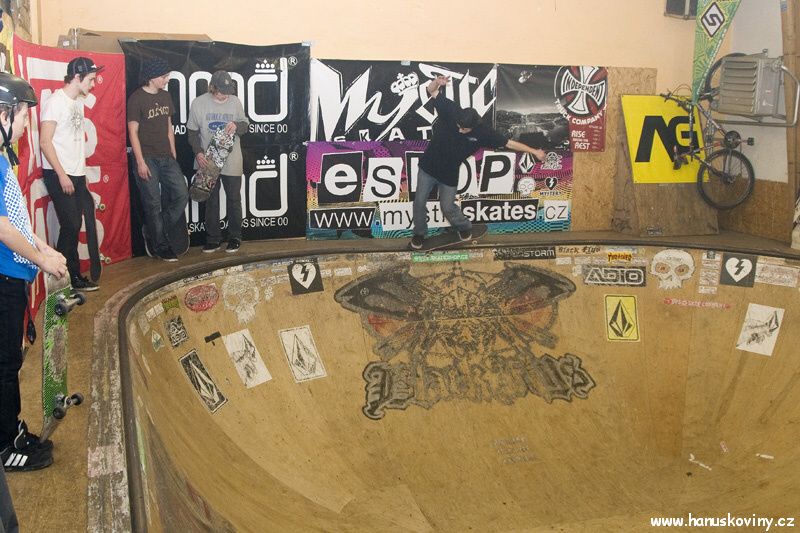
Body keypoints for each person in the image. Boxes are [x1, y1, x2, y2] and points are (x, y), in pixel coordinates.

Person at [0, 72, 67, 474]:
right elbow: (2, 227)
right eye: (23, 115)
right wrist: (42, 262)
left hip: (12, 275)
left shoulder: (2, 157)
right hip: (4, 276)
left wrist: (42, 247)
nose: (27, 124)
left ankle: (10, 429)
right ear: (4, 114)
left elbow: (17, 220)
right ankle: (5, 447)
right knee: (4, 365)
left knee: (10, 361)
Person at [410, 75, 547, 250]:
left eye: (465, 129)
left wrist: (534, 151)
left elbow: (509, 143)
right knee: (419, 202)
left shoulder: (484, 132)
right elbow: (432, 91)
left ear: (474, 126)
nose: (460, 131)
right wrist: (437, 82)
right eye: (459, 126)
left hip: (449, 173)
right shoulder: (451, 110)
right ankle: (419, 234)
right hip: (428, 168)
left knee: (447, 207)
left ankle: (464, 227)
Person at [39, 57, 102, 291]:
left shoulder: (77, 102)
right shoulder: (55, 102)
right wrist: (62, 174)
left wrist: (80, 173)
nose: (93, 85)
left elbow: (73, 143)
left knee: (74, 226)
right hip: (59, 174)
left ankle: (70, 277)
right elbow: (45, 142)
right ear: (77, 77)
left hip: (75, 174)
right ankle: (63, 280)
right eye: (91, 79)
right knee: (71, 225)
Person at [127, 57, 189, 262]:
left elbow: (169, 125)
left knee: (182, 194)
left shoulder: (165, 96)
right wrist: (140, 162)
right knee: (152, 203)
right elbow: (133, 132)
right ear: (152, 77)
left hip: (166, 157)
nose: (166, 80)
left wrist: (173, 151)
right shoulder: (136, 99)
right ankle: (160, 245)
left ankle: (155, 229)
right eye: (164, 76)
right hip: (147, 158)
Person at [187, 70, 248, 253]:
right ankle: (213, 239)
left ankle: (235, 237)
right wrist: (198, 153)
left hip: (232, 159)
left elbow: (245, 125)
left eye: (228, 91)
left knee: (234, 199)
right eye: (222, 91)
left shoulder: (235, 102)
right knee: (211, 200)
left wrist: (237, 126)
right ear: (212, 88)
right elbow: (192, 132)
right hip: (209, 161)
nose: (225, 95)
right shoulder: (198, 103)